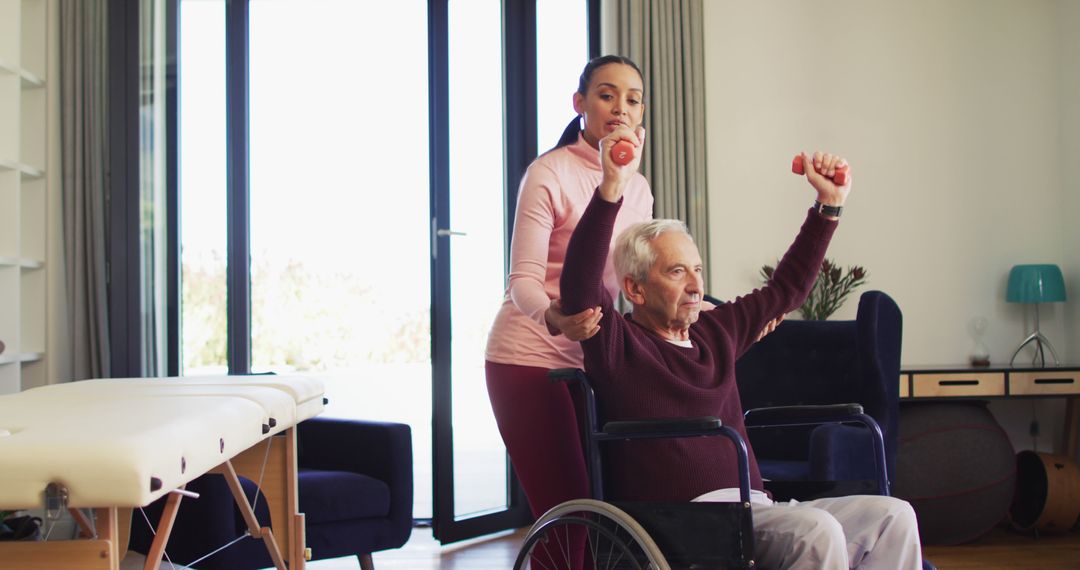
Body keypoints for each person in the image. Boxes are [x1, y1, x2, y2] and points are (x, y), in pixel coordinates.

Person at [559, 138, 923, 569]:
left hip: (756, 508)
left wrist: (828, 204)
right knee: (817, 529)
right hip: (687, 520)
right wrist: (611, 188)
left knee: (895, 516)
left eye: (697, 269)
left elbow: (786, 290)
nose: (696, 285)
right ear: (635, 288)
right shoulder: (618, 344)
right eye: (677, 272)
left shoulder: (717, 331)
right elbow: (580, 286)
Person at [484, 55, 653, 522]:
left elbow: (633, 283)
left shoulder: (638, 189)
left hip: (594, 362)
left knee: (605, 512)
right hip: (529, 355)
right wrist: (556, 318)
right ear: (580, 103)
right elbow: (522, 281)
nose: (620, 108)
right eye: (606, 95)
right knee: (568, 515)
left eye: (632, 100)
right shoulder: (549, 173)